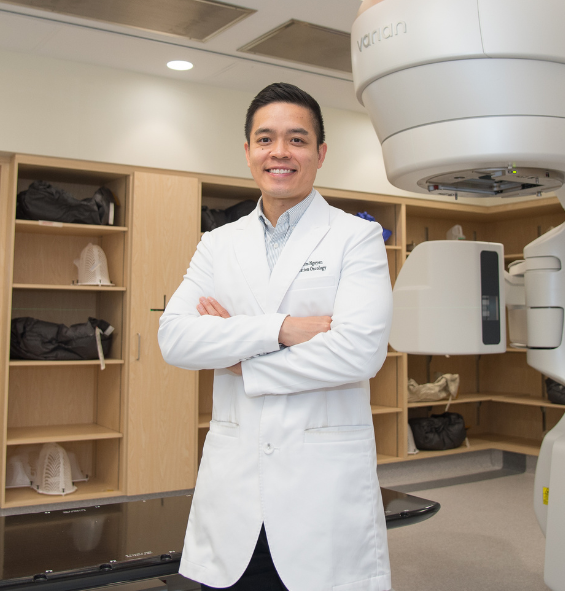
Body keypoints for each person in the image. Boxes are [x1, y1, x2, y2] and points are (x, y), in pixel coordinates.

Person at [158, 82, 393, 591]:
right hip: (235, 484)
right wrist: (282, 329)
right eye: (265, 139)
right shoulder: (217, 244)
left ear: (320, 153)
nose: (280, 152)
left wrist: (242, 357)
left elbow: (359, 352)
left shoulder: (357, 237)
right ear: (248, 152)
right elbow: (174, 339)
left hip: (321, 487)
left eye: (297, 139)